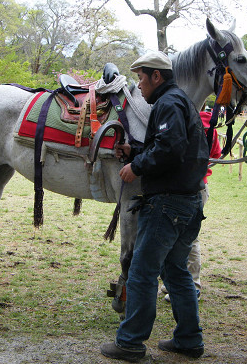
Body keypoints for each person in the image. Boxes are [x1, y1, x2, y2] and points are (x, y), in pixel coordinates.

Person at [100, 51, 210, 362]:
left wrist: (137, 166)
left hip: (167, 203)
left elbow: (170, 148)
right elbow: (170, 144)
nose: (139, 86)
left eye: (141, 79)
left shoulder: (167, 103)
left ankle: (131, 343)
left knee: (142, 271)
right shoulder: (179, 102)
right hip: (189, 201)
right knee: (175, 270)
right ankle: (189, 339)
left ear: (156, 77)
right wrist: (133, 149)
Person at [161, 108, 222, 302]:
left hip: (182, 188)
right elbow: (217, 155)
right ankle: (178, 282)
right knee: (186, 238)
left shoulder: (181, 122)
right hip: (200, 186)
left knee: (183, 239)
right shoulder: (210, 126)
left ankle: (191, 285)